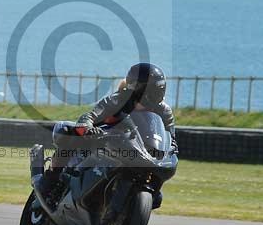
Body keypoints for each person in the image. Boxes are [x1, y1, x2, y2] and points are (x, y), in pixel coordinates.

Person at [34, 62, 177, 208]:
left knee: (157, 198)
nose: (156, 93)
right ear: (139, 88)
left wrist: (170, 153)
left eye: (158, 89)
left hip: (137, 150)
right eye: (152, 89)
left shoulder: (164, 111)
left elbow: (170, 139)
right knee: (65, 130)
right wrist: (87, 128)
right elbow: (91, 116)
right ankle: (49, 180)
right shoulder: (119, 99)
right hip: (102, 140)